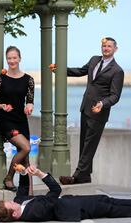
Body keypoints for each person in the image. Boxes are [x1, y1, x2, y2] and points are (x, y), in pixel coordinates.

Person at [53, 37, 125, 185]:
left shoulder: (117, 71)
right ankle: (85, 176)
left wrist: (102, 104)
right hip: (86, 108)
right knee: (84, 143)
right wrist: (61, 70)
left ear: (115, 49)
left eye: (109, 46)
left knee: (89, 145)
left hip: (99, 112)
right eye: (104, 46)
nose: (106, 48)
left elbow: (115, 96)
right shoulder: (94, 60)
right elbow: (80, 71)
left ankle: (76, 176)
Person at [0, 166, 131, 222]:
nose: (13, 201)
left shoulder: (19, 203)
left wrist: (23, 173)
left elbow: (22, 190)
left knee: (104, 199)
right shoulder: (34, 213)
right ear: (14, 214)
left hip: (70, 201)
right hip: (72, 210)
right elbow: (55, 191)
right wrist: (40, 174)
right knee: (107, 208)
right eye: (11, 204)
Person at [0, 46, 34, 193]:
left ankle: (28, 193)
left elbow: (29, 101)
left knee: (26, 159)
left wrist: (29, 107)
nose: (12, 61)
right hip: (5, 119)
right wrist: (2, 106)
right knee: (26, 148)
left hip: (21, 119)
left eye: (14, 58)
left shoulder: (29, 80)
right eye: (9, 58)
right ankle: (9, 178)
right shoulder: (0, 79)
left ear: (20, 59)